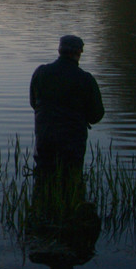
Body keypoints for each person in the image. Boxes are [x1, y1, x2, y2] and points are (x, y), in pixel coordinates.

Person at [30, 35, 105, 183]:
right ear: (79, 52)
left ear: (59, 50)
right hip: (73, 143)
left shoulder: (41, 72)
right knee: (71, 185)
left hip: (45, 139)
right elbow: (96, 115)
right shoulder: (86, 79)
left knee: (44, 183)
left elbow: (34, 104)